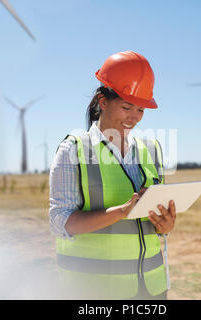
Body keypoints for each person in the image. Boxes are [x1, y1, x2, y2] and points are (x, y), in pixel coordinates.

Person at [49, 51, 176, 300]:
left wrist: (166, 225)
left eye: (140, 109)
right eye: (126, 106)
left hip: (150, 289)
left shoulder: (152, 150)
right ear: (103, 101)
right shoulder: (73, 150)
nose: (134, 117)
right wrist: (121, 212)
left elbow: (155, 226)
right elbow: (59, 222)